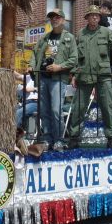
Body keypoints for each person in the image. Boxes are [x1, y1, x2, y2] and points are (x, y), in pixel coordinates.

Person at [67, 5, 112, 149]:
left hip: (103, 74)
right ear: (87, 18)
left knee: (107, 106)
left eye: (97, 15)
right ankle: (74, 137)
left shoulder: (106, 32)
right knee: (79, 107)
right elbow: (75, 57)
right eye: (91, 15)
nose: (94, 17)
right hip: (84, 74)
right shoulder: (80, 34)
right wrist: (74, 74)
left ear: (99, 18)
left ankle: (110, 138)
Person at [29, 8, 78, 150]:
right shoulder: (44, 38)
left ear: (63, 20)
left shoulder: (69, 37)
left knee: (56, 110)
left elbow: (74, 59)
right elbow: (35, 53)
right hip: (43, 78)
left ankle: (59, 140)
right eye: (52, 18)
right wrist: (32, 66)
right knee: (44, 111)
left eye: (57, 17)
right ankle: (47, 139)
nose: (54, 20)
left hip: (58, 78)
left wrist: (59, 67)